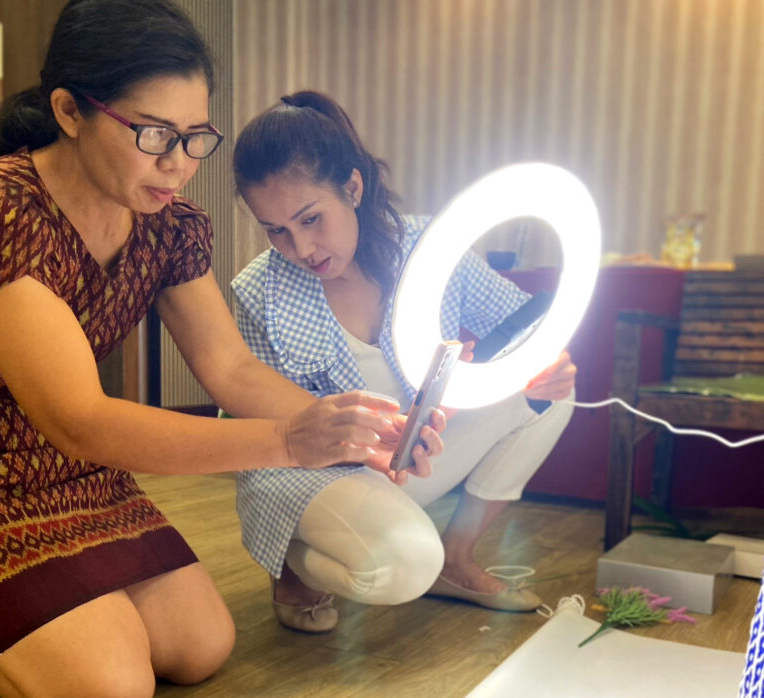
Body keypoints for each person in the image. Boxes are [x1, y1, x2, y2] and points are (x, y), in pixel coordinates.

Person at [0, 1, 440, 698]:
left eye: (195, 138)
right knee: (108, 693)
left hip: (67, 469)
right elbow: (81, 419)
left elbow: (228, 366)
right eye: (155, 135)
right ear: (69, 111)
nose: (179, 164)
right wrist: (290, 442)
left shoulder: (168, 224)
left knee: (201, 648)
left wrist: (362, 429)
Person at [230, 90, 577, 634]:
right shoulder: (260, 294)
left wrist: (546, 360)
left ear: (352, 187)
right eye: (276, 229)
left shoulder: (430, 249)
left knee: (548, 394)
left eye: (311, 219)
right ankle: (294, 565)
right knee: (405, 566)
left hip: (408, 453)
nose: (301, 248)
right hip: (313, 477)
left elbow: (523, 323)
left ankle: (456, 556)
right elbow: (267, 437)